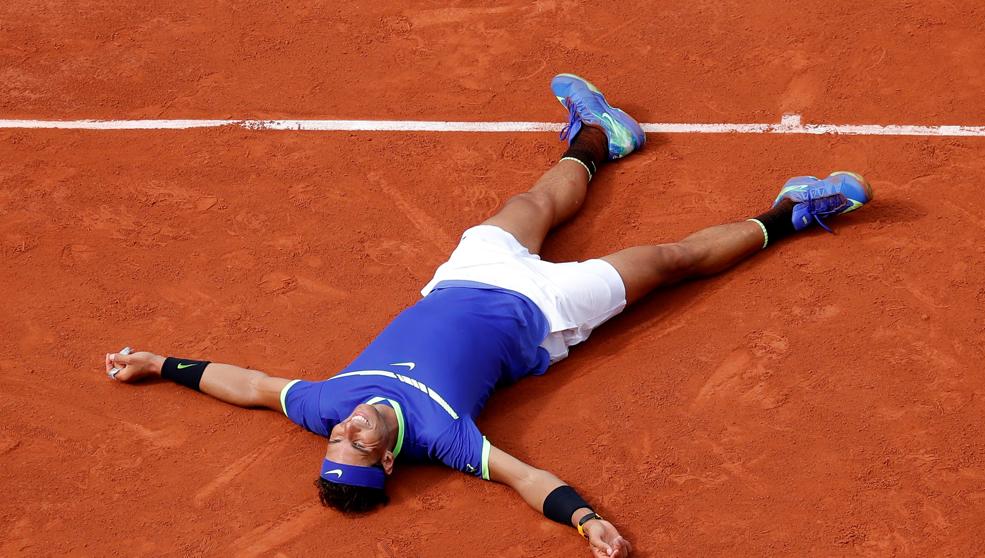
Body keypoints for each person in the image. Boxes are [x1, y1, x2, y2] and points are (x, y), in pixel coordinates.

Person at [104, 74, 871, 558]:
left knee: (533, 202)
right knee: (668, 261)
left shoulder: (326, 405)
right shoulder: (442, 438)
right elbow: (525, 477)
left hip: (463, 278)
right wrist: (585, 521)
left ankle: (601, 134)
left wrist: (160, 363)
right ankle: (793, 213)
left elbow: (249, 386)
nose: (349, 431)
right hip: (547, 312)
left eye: (338, 440)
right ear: (388, 462)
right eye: (358, 446)